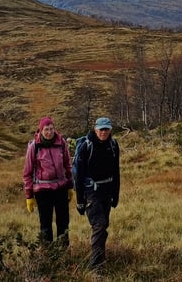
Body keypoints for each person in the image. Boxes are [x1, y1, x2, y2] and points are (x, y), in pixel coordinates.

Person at [72, 117, 120, 270]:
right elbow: (79, 175)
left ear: (110, 130)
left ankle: (100, 259)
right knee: (99, 225)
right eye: (101, 129)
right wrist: (80, 200)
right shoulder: (87, 146)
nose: (104, 132)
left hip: (107, 191)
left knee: (103, 226)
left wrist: (115, 194)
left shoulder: (113, 145)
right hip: (91, 192)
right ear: (95, 129)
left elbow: (116, 171)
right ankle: (95, 267)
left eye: (106, 129)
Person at [22, 116, 74, 244]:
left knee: (63, 223)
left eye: (51, 129)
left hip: (61, 188)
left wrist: (70, 186)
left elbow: (67, 165)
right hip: (43, 191)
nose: (49, 132)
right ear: (41, 130)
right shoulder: (34, 147)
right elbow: (27, 173)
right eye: (46, 129)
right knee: (45, 225)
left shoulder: (61, 143)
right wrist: (29, 196)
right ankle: (48, 256)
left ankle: (64, 253)